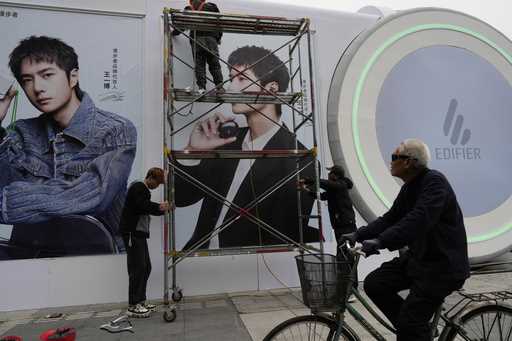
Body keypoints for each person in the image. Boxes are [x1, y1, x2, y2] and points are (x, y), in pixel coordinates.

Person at [0, 36, 137, 259]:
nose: (37, 88)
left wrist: (7, 204)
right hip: (29, 254)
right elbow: (3, 182)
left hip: (99, 255)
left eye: (47, 75)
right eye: (27, 80)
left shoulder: (115, 130)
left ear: (73, 77)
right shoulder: (21, 132)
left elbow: (91, 195)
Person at [176, 45, 317, 249]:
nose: (232, 88)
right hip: (197, 259)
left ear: (272, 89)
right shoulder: (227, 142)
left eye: (242, 79)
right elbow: (181, 198)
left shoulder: (300, 158)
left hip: (247, 268)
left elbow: (286, 233)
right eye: (231, 78)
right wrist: (192, 151)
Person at [342, 139, 470, 341]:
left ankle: (413, 329)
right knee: (375, 284)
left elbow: (418, 220)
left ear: (409, 161)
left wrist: (380, 241)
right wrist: (359, 234)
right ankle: (415, 331)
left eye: (394, 157)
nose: (390, 161)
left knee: (411, 321)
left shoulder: (435, 183)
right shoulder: (410, 187)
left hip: (442, 267)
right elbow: (391, 218)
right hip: (420, 259)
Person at [299, 165, 358, 299]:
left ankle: (350, 291)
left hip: (346, 227)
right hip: (341, 227)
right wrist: (306, 189)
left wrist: (309, 180)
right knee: (345, 257)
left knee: (345, 257)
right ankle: (349, 289)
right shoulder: (336, 188)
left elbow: (325, 184)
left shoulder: (340, 185)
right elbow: (322, 196)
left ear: (335, 175)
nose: (329, 174)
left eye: (331, 172)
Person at [119, 167, 170, 318]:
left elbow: (145, 207)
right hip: (131, 233)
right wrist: (159, 207)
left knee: (145, 267)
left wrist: (163, 209)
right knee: (137, 268)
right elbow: (142, 205)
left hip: (138, 233)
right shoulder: (138, 187)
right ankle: (133, 305)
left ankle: (141, 301)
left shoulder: (142, 189)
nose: (157, 186)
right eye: (158, 183)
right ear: (151, 177)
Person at [172, 0, 224, 94]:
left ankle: (202, 88)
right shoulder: (211, 7)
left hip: (197, 40)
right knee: (214, 64)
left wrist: (174, 32)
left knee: (200, 65)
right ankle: (220, 87)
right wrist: (219, 37)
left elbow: (182, 25)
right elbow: (219, 23)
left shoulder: (189, 9)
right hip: (211, 39)